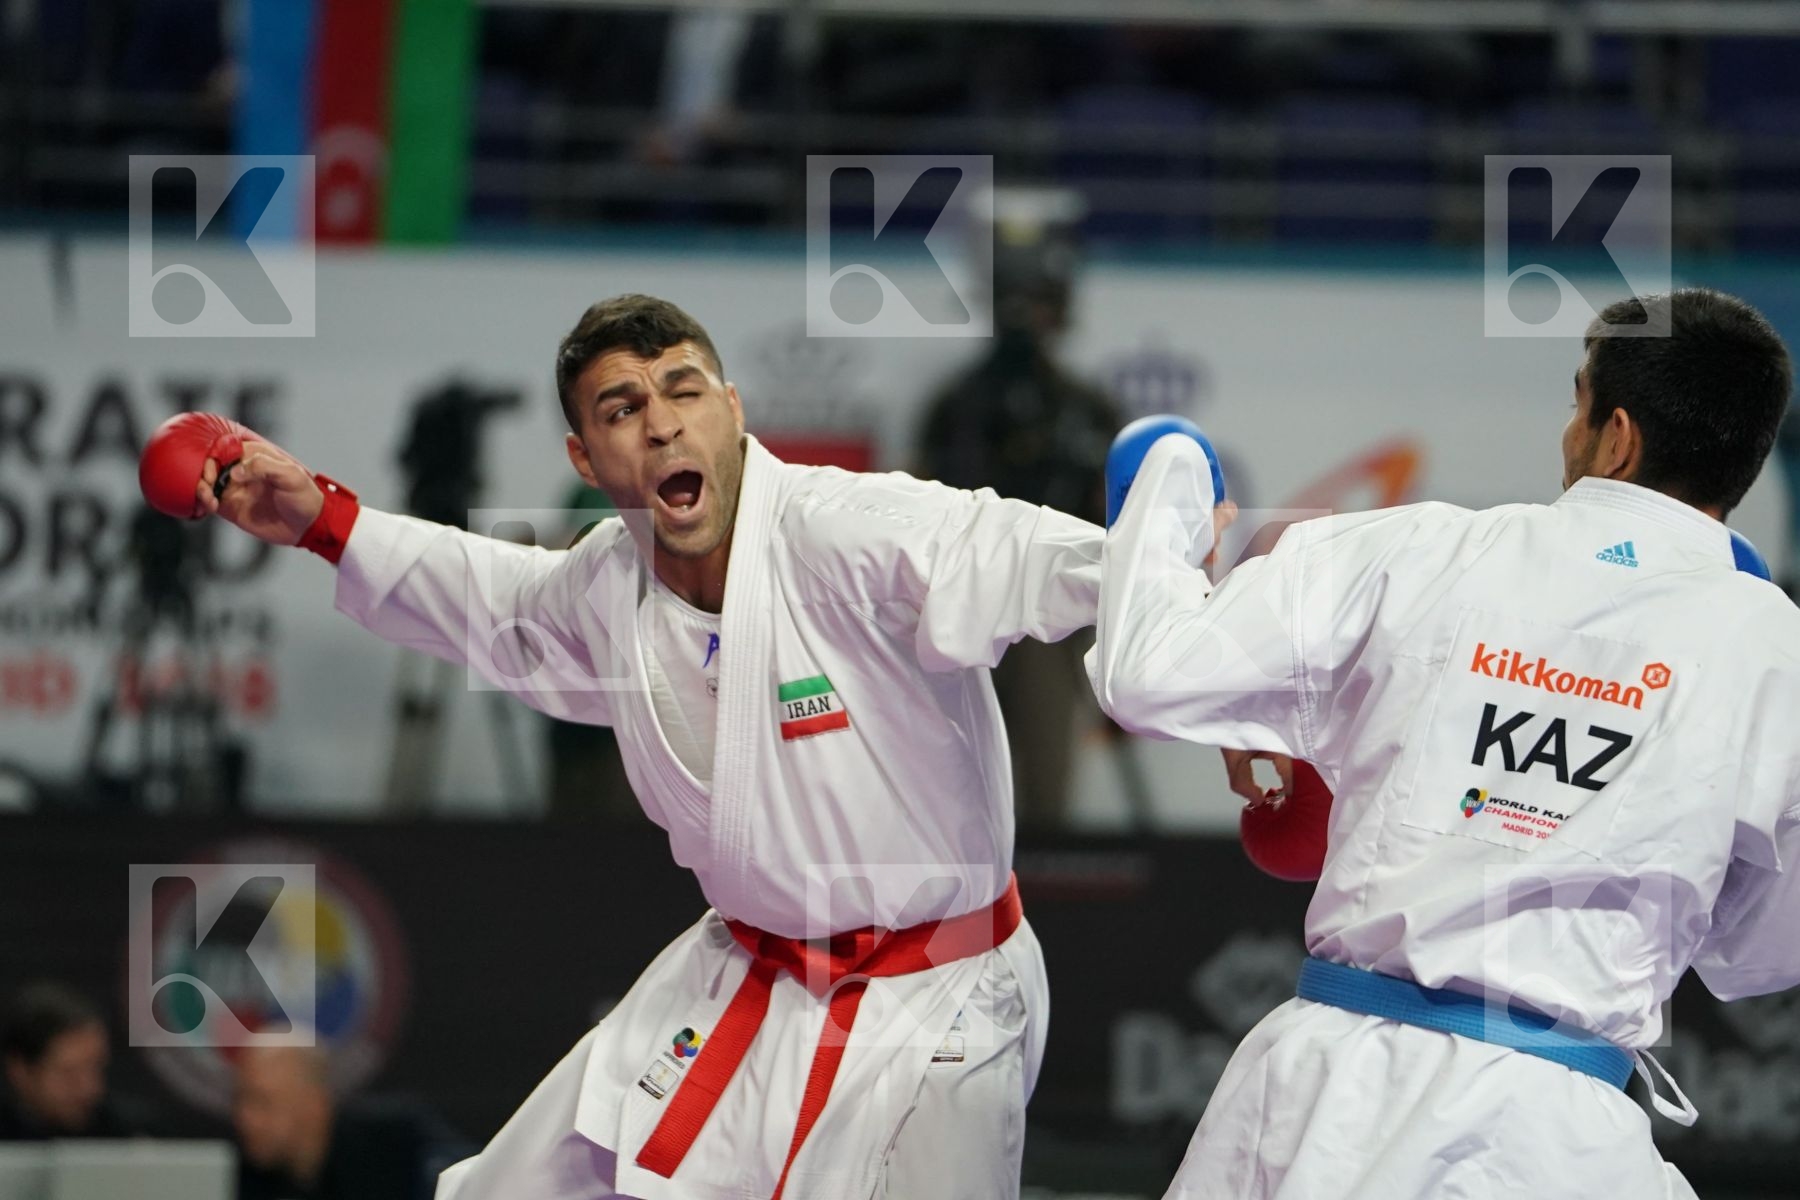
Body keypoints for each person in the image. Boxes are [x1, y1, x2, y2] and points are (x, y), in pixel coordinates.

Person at [144, 294, 1101, 1199]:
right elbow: (489, 592)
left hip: (938, 996)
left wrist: (1174, 565)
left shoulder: (844, 533)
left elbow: (1030, 555)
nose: (662, 422)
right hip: (751, 972)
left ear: (732, 410)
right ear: (585, 456)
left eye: (685, 390)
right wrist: (322, 519)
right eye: (623, 406)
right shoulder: (607, 585)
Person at [1088, 287, 1798, 1200]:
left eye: (1577, 401)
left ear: (1617, 436)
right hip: (1563, 1138)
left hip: (1329, 1104)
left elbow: (1144, 674)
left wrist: (1169, 487)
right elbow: (1756, 958)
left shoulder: (1421, 550)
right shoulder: (1772, 652)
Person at [919, 235, 1121, 830]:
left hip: (1051, 621)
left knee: (1042, 780)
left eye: (1038, 303)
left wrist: (1112, 639)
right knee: (952, 779)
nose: (1024, 318)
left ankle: (1040, 897)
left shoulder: (1086, 411)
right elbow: (921, 516)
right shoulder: (956, 407)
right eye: (1014, 301)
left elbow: (1109, 527)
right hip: (963, 612)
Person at [234, 1044, 456, 1200]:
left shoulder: (400, 1141)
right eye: (241, 1099)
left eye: (262, 1102)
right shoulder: (241, 1174)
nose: (245, 1118)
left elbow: (473, 1175)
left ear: (315, 1105)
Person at [0, 981, 140, 1140]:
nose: (91, 1089)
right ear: (20, 1071)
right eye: (69, 1074)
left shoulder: (135, 1137)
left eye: (97, 1068)